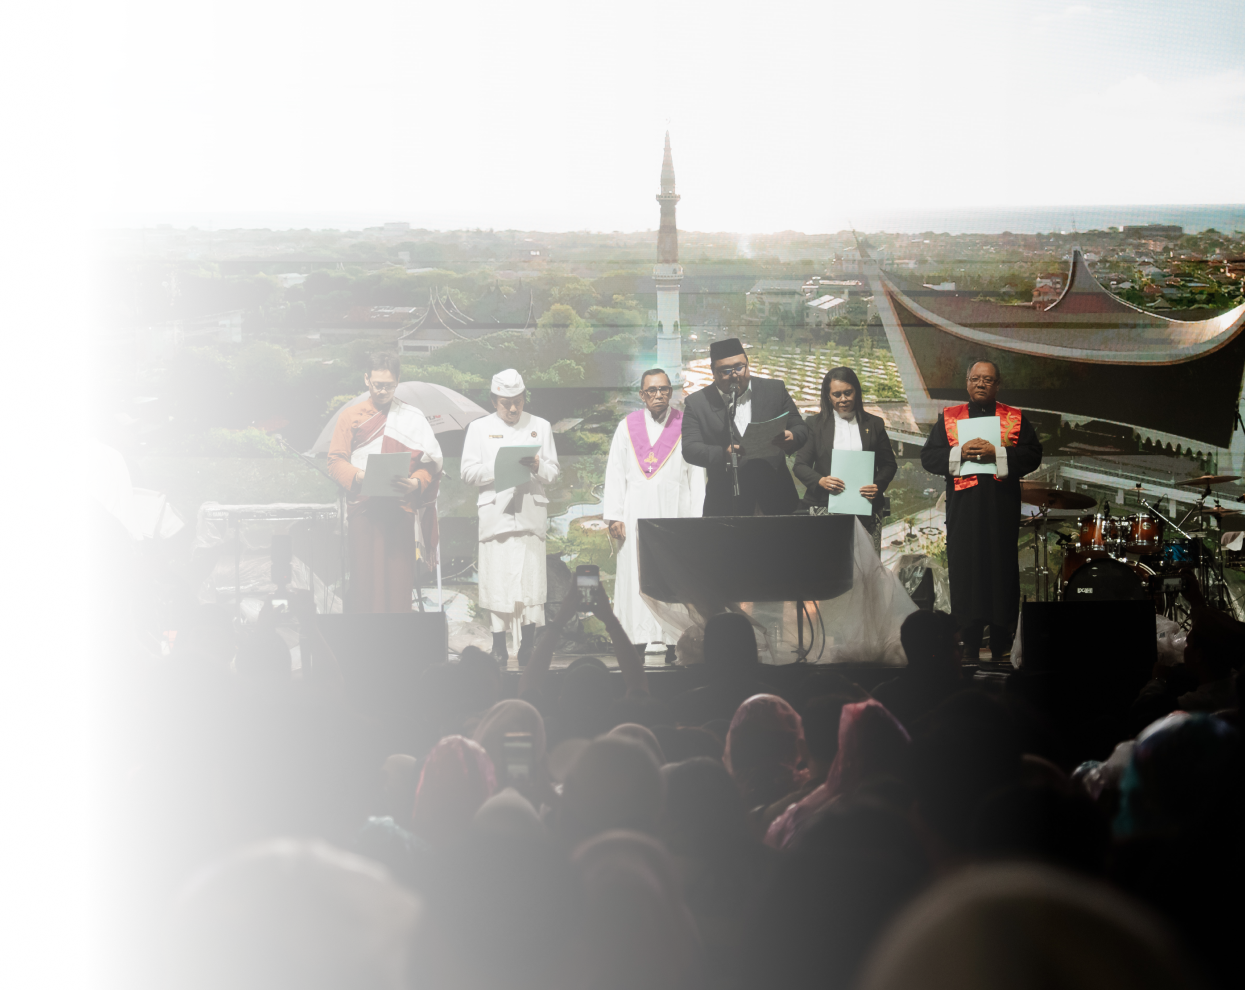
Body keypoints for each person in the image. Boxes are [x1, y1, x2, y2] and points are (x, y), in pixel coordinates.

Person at [919, 360, 1042, 660]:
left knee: (1001, 570)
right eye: (975, 379)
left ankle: (1001, 641)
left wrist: (997, 453)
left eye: (988, 379)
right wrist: (959, 452)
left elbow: (1033, 454)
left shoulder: (1014, 418)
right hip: (964, 509)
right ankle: (969, 641)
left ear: (998, 384)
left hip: (1002, 507)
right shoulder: (950, 418)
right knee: (966, 569)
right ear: (967, 382)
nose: (981, 384)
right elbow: (928, 456)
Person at [327, 351, 443, 613]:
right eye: (377, 385)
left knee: (399, 582)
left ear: (398, 381)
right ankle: (368, 637)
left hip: (400, 509)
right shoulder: (350, 416)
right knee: (365, 582)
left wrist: (416, 483)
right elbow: (335, 461)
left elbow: (430, 463)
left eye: (389, 386)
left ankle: (398, 636)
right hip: (364, 508)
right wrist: (359, 476)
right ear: (366, 380)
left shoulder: (412, 417)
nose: (382, 391)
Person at [603, 367, 705, 661]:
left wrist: (695, 521)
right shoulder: (627, 427)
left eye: (664, 389)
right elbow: (615, 473)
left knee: (672, 576)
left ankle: (674, 641)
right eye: (652, 390)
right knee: (634, 575)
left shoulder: (686, 426)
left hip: (675, 515)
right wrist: (614, 515)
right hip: (634, 517)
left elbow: (697, 477)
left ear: (671, 392)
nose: (658, 395)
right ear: (642, 395)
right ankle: (635, 640)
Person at [460, 369, 561, 666]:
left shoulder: (540, 426)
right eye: (506, 403)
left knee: (530, 581)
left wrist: (537, 465)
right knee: (497, 580)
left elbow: (553, 472)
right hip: (497, 515)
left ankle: (528, 644)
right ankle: (498, 645)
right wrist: (499, 467)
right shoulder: (479, 428)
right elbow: (468, 472)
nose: (513, 408)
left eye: (518, 401)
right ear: (494, 401)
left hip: (529, 513)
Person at [681, 337, 808, 515]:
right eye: (726, 371)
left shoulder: (774, 390)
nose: (735, 375)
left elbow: (800, 427)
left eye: (740, 367)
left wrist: (792, 437)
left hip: (776, 494)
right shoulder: (697, 403)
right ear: (713, 372)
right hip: (726, 501)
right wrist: (723, 454)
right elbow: (690, 449)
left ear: (748, 364)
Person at [793, 366, 897, 536]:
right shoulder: (814, 424)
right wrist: (821, 481)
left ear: (856, 392)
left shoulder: (874, 424)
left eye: (848, 393)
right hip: (824, 506)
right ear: (828, 396)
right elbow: (800, 465)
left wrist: (877, 485)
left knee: (865, 554)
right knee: (827, 554)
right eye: (837, 394)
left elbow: (889, 465)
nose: (843, 399)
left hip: (866, 507)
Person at [872, 610, 968, 731]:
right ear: (939, 653)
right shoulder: (966, 704)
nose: (961, 655)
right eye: (957, 647)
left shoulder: (881, 698)